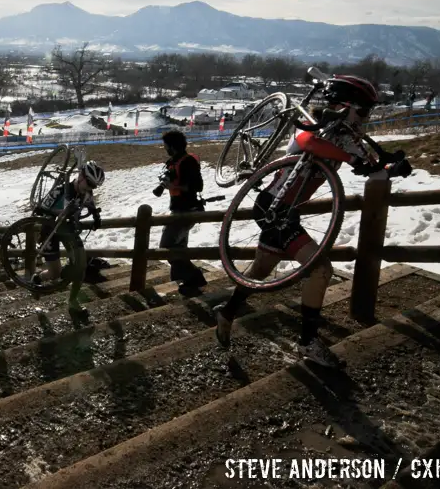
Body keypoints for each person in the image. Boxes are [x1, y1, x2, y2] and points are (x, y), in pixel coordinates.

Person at [213, 74, 395, 368]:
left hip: (287, 211)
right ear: (344, 106)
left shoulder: (347, 137)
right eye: (363, 110)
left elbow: (371, 163)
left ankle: (227, 312)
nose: (366, 117)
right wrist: (351, 160)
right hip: (274, 205)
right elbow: (307, 141)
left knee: (260, 268)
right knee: (320, 269)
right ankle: (308, 343)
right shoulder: (315, 125)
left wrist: (390, 166)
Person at [33, 161, 104, 314]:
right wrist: (61, 213)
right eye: (89, 183)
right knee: (54, 273)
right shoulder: (60, 191)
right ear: (80, 176)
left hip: (69, 231)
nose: (90, 188)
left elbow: (90, 204)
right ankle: (37, 279)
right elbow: (40, 211)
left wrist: (96, 216)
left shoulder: (87, 193)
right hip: (50, 232)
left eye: (94, 186)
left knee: (81, 266)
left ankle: (73, 302)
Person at [157, 130, 208, 297]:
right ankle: (188, 283)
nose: (164, 148)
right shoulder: (173, 161)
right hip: (178, 210)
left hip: (187, 211)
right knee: (179, 247)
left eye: (166, 146)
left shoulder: (188, 162)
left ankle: (196, 279)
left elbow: (197, 186)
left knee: (167, 246)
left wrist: (173, 187)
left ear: (172, 146)